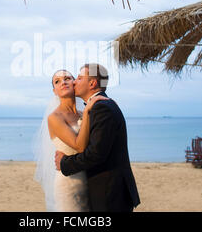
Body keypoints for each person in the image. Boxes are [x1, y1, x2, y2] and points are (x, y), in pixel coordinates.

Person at [55, 64, 141, 212]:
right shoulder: (98, 106)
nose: (74, 81)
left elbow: (96, 154)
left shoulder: (102, 108)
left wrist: (64, 163)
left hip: (109, 192)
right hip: (106, 190)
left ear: (92, 83)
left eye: (80, 78)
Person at [33, 69, 108, 211]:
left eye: (67, 78)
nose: (63, 82)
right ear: (54, 91)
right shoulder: (55, 117)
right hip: (68, 183)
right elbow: (79, 146)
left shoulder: (83, 112)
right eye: (57, 81)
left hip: (91, 181)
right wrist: (87, 113)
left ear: (74, 83)